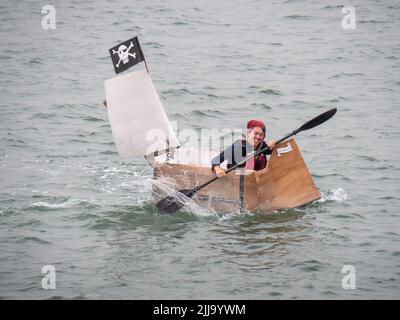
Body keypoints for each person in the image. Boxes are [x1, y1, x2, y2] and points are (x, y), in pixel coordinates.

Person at [211, 120, 276, 178]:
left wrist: (273, 144)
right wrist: (217, 169)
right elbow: (215, 160)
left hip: (255, 182)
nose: (258, 137)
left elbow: (275, 151)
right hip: (236, 181)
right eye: (256, 133)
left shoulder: (263, 146)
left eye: (261, 135)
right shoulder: (237, 146)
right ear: (249, 133)